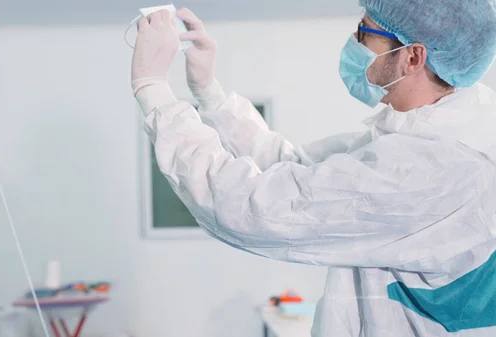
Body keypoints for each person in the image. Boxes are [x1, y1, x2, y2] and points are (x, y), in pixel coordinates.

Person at [130, 0, 496, 336]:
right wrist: (210, 93)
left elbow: (252, 209)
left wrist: (153, 91)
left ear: (413, 57)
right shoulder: (436, 126)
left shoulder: (431, 168)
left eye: (365, 31)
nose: (354, 40)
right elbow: (295, 168)